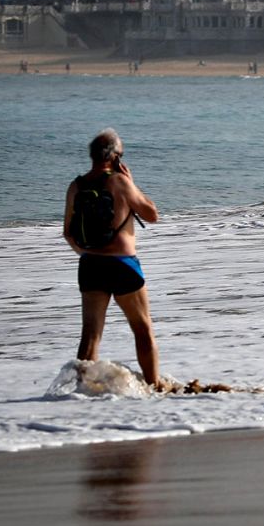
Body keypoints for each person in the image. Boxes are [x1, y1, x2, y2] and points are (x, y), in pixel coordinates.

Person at [62, 129, 164, 388]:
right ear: (116, 157)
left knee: (90, 336)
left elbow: (68, 233)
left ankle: (81, 390)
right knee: (142, 329)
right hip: (122, 266)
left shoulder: (76, 186)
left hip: (90, 266)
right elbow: (152, 214)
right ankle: (154, 388)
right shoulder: (120, 181)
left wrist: (90, 253)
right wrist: (131, 181)